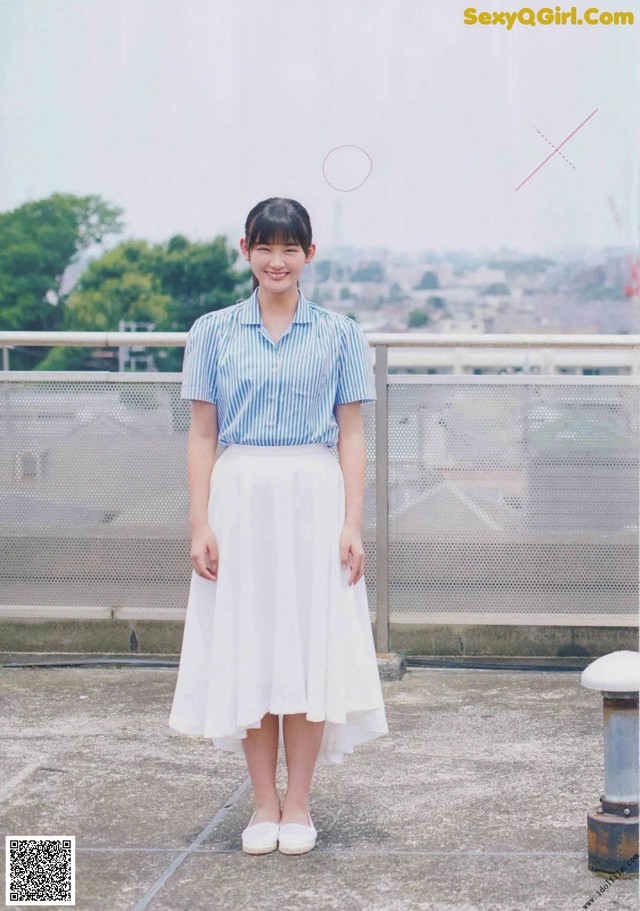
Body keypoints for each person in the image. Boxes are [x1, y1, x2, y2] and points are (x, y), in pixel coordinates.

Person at [168, 197, 389, 856]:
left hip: (313, 498)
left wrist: (352, 521)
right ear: (246, 251)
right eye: (265, 247)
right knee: (253, 648)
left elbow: (352, 434)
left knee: (307, 645)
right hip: (240, 497)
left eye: (290, 248)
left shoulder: (340, 333)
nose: (277, 260)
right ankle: (263, 803)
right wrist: (200, 518)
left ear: (309, 255)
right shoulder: (212, 331)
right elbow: (202, 431)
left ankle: (299, 803)